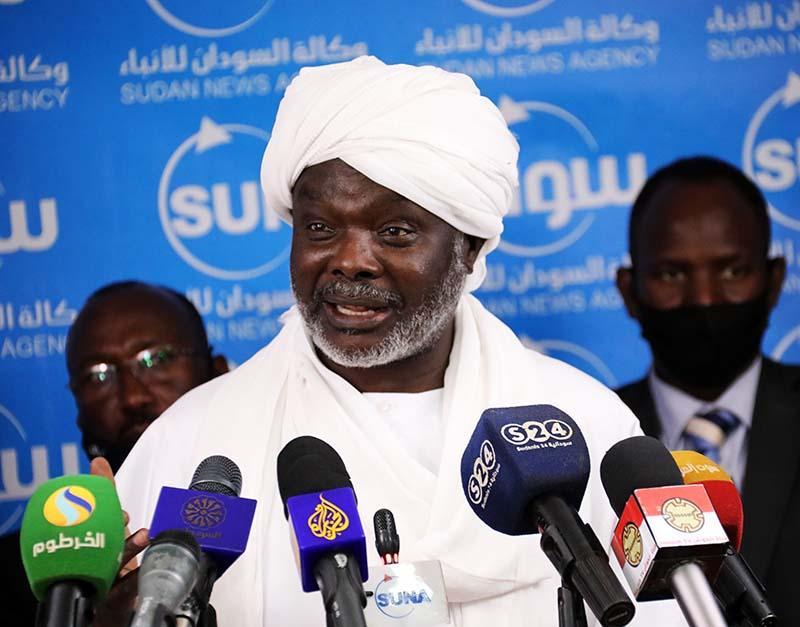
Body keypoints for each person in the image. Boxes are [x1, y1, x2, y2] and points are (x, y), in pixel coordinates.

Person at [115, 56, 673, 627]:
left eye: (395, 232)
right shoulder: (191, 445)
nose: (350, 260)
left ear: (470, 248)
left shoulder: (587, 425)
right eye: (320, 228)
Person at [615, 155, 799, 623]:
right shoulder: (598, 435)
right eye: (671, 275)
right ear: (629, 292)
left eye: (733, 272)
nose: (704, 299)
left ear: (775, 282)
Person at [2, 280, 227, 626]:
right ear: (77, 408)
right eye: (99, 375)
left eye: (155, 359)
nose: (132, 397)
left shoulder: (288, 518)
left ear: (218, 372)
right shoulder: (33, 580)